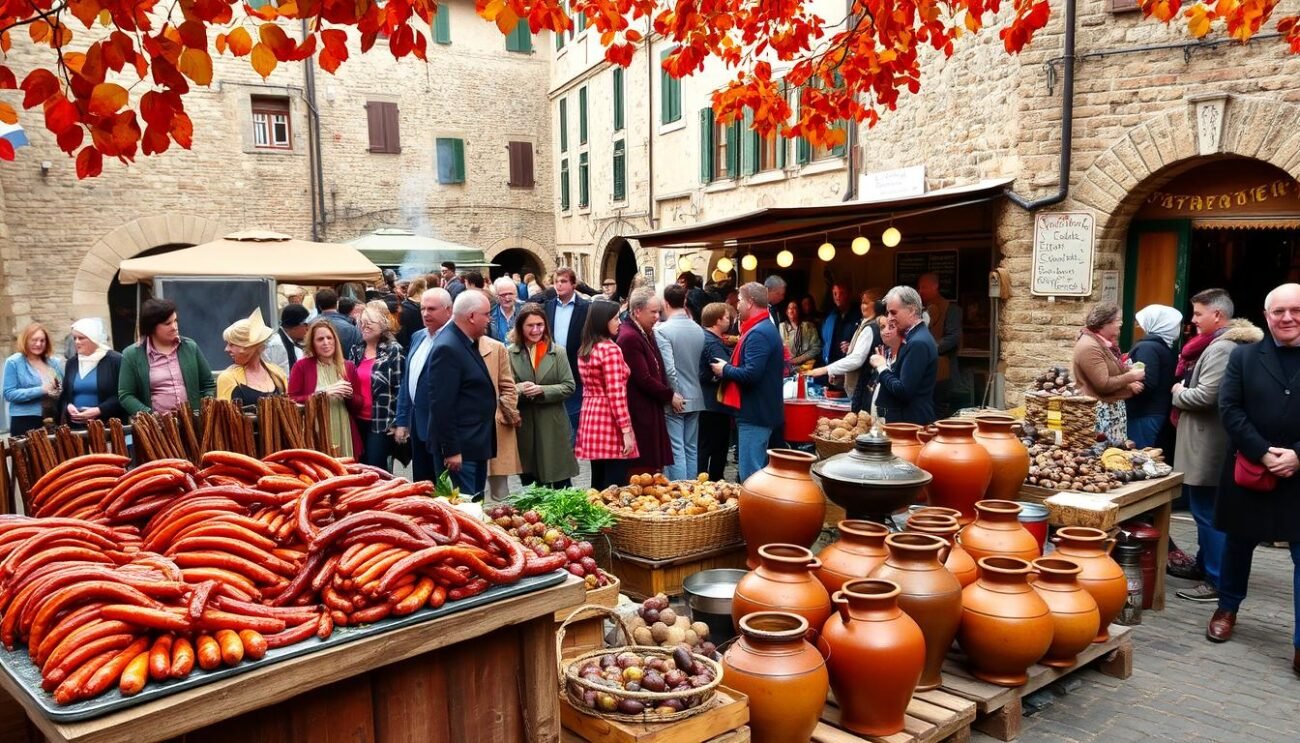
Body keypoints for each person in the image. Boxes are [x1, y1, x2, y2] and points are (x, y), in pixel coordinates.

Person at [1205, 283, 1300, 677]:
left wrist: (1298, 455)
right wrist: (1262, 451)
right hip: (1250, 466)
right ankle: (1227, 607)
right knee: (1237, 545)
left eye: (1295, 310)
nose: (1288, 318)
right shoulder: (1243, 357)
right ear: (1266, 316)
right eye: (1279, 311)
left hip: (1299, 475)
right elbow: (1229, 408)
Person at [1170, 289, 1262, 602]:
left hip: (1208, 444)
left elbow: (1206, 396)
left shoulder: (1222, 348)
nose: (1193, 320)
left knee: (1207, 512)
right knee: (1206, 511)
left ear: (1217, 315)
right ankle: (1206, 565)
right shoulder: (1229, 343)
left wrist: (1178, 392)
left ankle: (1217, 580)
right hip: (1210, 441)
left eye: (1197, 314)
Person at [427, 291, 497, 499]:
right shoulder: (448, 347)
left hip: (474, 444)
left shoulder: (464, 341)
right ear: (472, 316)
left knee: (475, 503)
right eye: (486, 314)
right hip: (461, 450)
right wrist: (451, 450)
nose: (489, 319)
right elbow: (441, 404)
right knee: (465, 509)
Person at [711, 283, 784, 480]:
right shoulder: (762, 328)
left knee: (751, 476)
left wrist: (724, 369)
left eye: (741, 301)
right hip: (760, 412)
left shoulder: (758, 333)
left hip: (755, 414)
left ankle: (754, 511)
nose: (738, 305)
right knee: (758, 473)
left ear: (751, 303)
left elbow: (752, 374)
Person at [507, 304, 579, 488]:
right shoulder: (510, 353)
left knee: (560, 481)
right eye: (530, 325)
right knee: (532, 484)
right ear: (520, 327)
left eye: (540, 325)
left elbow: (569, 386)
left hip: (552, 424)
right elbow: (504, 389)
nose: (536, 330)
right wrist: (520, 389)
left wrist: (542, 390)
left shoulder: (558, 352)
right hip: (526, 426)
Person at [576, 300, 637, 489]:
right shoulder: (610, 350)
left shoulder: (587, 348)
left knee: (598, 480)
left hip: (591, 414)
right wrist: (626, 431)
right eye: (616, 318)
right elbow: (616, 393)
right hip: (609, 418)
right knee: (614, 484)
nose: (620, 322)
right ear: (603, 321)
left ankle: (595, 517)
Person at [394, 288, 453, 482]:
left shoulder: (456, 340)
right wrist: (402, 420)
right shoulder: (418, 336)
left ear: (449, 310)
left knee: (445, 487)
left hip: (442, 429)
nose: (426, 314)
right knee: (422, 483)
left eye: (432, 309)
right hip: (418, 424)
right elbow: (408, 380)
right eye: (423, 308)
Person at [119, 298, 216, 416]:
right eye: (168, 323)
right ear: (152, 326)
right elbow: (126, 395)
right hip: (155, 428)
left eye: (175, 321)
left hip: (193, 423)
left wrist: (205, 407)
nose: (174, 327)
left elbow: (208, 383)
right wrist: (149, 415)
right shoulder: (132, 354)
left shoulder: (189, 347)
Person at [618, 288, 678, 475]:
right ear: (637, 311)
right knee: (643, 470)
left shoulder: (644, 331)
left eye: (659, 312)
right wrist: (669, 394)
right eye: (653, 312)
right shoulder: (629, 336)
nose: (658, 317)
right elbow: (642, 378)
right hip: (640, 410)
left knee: (653, 466)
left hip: (650, 407)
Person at [1071, 302, 1146, 442]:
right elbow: (1103, 384)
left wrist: (1128, 375)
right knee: (1101, 456)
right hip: (1100, 415)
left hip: (1109, 412)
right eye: (1118, 320)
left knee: (1114, 457)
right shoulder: (1090, 347)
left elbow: (1110, 371)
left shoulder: (1102, 344)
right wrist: (1130, 377)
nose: (1121, 324)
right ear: (1105, 323)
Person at [288, 319, 363, 459]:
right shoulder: (302, 366)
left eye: (329, 338)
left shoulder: (348, 367)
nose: (326, 342)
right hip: (315, 433)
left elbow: (358, 406)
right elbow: (291, 400)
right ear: (313, 343)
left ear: (335, 340)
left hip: (344, 432)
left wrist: (350, 396)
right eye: (320, 339)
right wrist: (322, 394)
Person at [347, 302, 405, 471]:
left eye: (369, 323)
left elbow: (400, 388)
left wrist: (397, 423)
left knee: (375, 470)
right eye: (361, 323)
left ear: (382, 325)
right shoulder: (356, 349)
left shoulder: (394, 350)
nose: (364, 327)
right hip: (356, 421)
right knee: (357, 468)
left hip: (381, 422)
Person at [657, 284, 706, 481]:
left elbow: (669, 369)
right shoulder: (698, 329)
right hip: (696, 393)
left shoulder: (662, 330)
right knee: (691, 448)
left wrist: (673, 394)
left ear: (665, 303)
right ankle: (693, 488)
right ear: (684, 301)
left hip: (677, 396)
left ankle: (681, 492)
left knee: (676, 448)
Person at [870, 286, 937, 425]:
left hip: (910, 426)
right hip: (906, 424)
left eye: (893, 313)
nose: (889, 319)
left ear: (912, 311)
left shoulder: (918, 342)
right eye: (888, 313)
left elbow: (904, 391)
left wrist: (882, 367)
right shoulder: (915, 338)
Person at [1125, 304, 1182, 449]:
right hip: (1154, 412)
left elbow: (1148, 382)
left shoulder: (1148, 348)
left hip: (1144, 414)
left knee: (1140, 459)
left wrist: (1121, 387)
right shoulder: (1161, 348)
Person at [545, 267, 592, 439]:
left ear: (573, 284)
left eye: (563, 281)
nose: (559, 285)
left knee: (573, 421)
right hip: (552, 371)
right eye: (556, 281)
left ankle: (570, 459)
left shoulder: (586, 308)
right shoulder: (548, 306)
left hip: (576, 371)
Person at [809, 290, 881, 398]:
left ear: (877, 305)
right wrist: (843, 376)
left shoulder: (870, 328)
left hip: (863, 391)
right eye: (862, 302)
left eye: (866, 303)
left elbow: (857, 359)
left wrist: (825, 369)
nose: (862, 306)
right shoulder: (863, 325)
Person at [57, 318, 124, 428]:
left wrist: (99, 410)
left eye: (81, 338)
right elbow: (65, 395)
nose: (77, 342)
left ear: (94, 338)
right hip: (77, 428)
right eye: (75, 338)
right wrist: (68, 406)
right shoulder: (72, 363)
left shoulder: (115, 360)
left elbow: (124, 395)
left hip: (108, 426)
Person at [216, 308, 287, 407]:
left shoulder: (277, 373)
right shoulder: (228, 378)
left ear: (249, 347)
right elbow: (225, 418)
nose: (226, 349)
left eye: (232, 344)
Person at [698, 302, 736, 482]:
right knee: (716, 447)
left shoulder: (703, 337)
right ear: (717, 321)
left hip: (707, 401)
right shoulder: (712, 342)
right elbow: (723, 366)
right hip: (714, 403)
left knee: (706, 446)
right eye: (727, 317)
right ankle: (711, 483)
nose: (729, 321)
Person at [4, 322, 63, 436]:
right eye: (34, 340)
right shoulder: (14, 362)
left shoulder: (53, 362)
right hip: (24, 420)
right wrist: (41, 390)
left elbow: (60, 387)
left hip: (53, 419)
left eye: (42, 340)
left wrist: (57, 390)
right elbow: (9, 394)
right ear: (26, 340)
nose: (38, 344)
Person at [917, 273, 963, 417]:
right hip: (923, 371)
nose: (920, 291)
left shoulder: (951, 309)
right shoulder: (920, 310)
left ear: (935, 286)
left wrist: (929, 349)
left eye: (924, 287)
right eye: (919, 288)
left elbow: (953, 337)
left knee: (939, 413)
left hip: (942, 371)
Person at [820, 282, 862, 367]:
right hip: (832, 364)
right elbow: (824, 341)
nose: (838, 297)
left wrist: (852, 346)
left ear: (849, 295)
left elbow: (864, 342)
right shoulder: (830, 317)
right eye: (835, 294)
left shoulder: (859, 316)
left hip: (850, 364)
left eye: (841, 293)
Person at [263, 303, 310, 374]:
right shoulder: (276, 345)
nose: (308, 329)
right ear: (294, 326)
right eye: (305, 325)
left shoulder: (295, 344)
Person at [780, 300, 823, 368]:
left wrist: (798, 360)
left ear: (799, 310)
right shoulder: (781, 327)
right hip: (788, 368)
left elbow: (816, 348)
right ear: (786, 312)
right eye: (789, 308)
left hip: (807, 366)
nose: (791, 310)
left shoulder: (809, 326)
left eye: (794, 308)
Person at [490, 276, 524, 343]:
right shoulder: (490, 314)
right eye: (503, 295)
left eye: (510, 294)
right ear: (496, 296)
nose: (507, 298)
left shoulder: (525, 311)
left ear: (515, 294)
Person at [396, 277, 426, 350]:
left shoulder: (403, 306)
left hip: (408, 345)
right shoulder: (428, 305)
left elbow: (401, 331)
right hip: (424, 343)